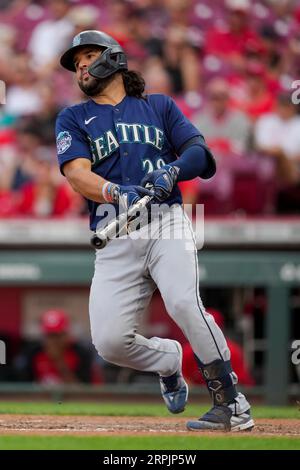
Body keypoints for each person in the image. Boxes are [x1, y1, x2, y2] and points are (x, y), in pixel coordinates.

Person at [55, 30, 254, 432]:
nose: (80, 66)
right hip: (114, 231)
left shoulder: (158, 106)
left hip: (167, 221)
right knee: (109, 342)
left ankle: (230, 403)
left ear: (112, 59)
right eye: (76, 62)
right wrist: (116, 191)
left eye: (88, 56)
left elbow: (200, 153)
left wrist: (172, 170)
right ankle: (167, 360)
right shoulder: (73, 117)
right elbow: (77, 175)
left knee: (183, 302)